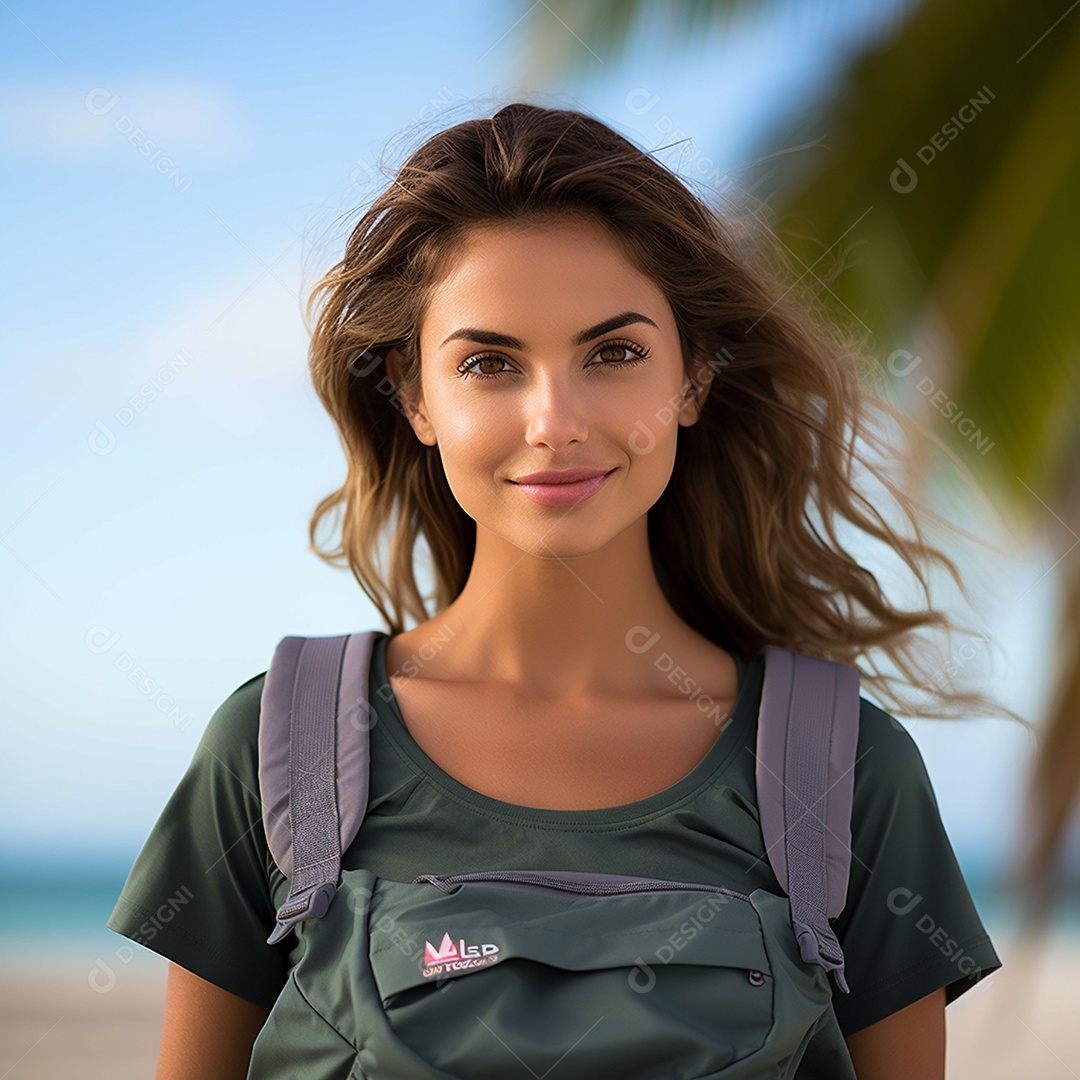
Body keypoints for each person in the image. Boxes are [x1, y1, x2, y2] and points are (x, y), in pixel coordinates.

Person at [106, 101, 1009, 1079]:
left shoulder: (847, 773)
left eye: (612, 354)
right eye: (490, 363)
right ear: (414, 398)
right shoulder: (276, 750)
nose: (555, 421)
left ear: (696, 377)